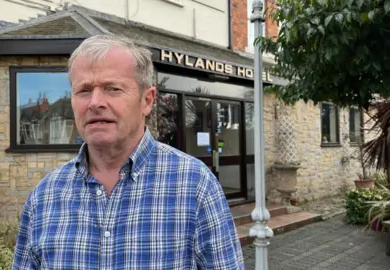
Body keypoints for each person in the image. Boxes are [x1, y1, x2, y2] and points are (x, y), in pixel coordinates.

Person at [12, 34, 244, 269]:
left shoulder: (195, 186)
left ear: (147, 100)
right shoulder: (44, 196)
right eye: (83, 90)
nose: (94, 102)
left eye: (112, 88)